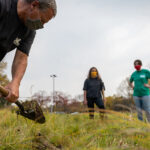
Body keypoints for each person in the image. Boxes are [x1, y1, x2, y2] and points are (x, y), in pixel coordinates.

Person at [0, 0, 57, 102]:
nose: (41, 26)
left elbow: (21, 58)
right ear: (34, 5)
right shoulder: (3, 6)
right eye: (42, 21)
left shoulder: (29, 31)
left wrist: (15, 83)